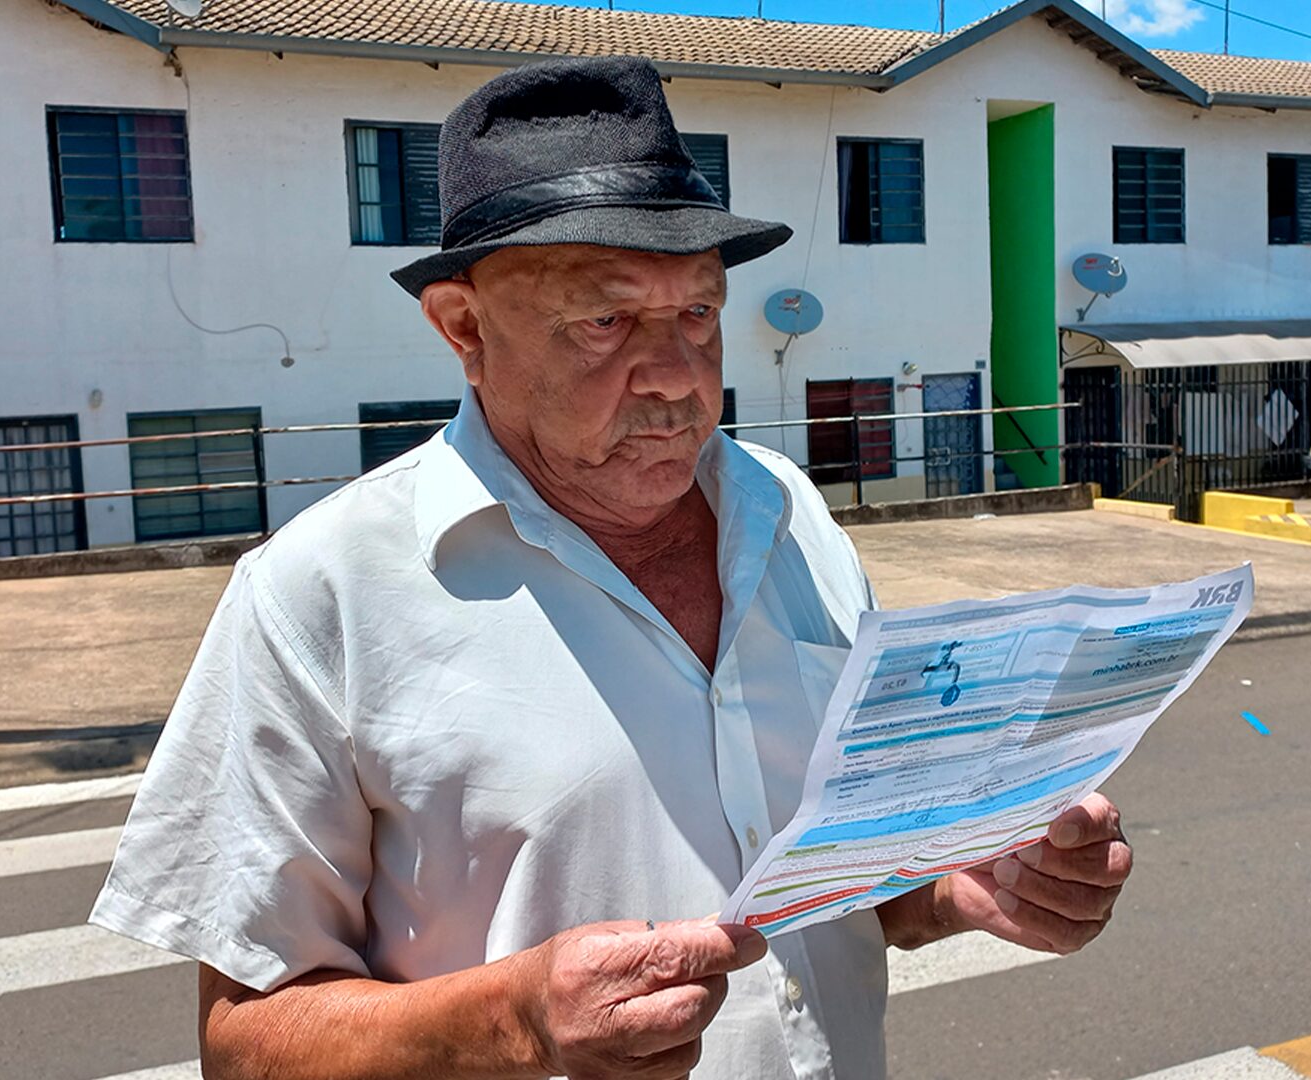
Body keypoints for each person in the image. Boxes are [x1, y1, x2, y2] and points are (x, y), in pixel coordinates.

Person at [90, 55, 1133, 1080]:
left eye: (698, 314)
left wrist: (968, 886)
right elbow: (245, 1044)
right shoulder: (320, 592)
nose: (679, 380)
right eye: (606, 320)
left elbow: (850, 871)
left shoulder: (791, 513)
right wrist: (516, 1022)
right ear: (464, 326)